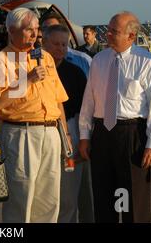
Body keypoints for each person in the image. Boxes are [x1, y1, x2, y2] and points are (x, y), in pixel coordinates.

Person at [79, 11, 151, 223]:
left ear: (131, 36)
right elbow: (89, 100)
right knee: (103, 196)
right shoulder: (98, 60)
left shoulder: (146, 62)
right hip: (102, 134)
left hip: (131, 135)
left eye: (114, 32)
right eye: (107, 30)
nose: (107, 35)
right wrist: (84, 135)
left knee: (132, 199)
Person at [0, 7, 70, 223]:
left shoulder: (45, 57)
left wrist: (66, 137)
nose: (34, 35)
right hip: (21, 134)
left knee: (50, 199)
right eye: (28, 30)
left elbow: (58, 99)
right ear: (11, 31)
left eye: (36, 29)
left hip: (51, 131)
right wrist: (27, 80)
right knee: (21, 196)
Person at [42, 24, 94, 223]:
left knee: (68, 198)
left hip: (70, 135)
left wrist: (84, 142)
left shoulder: (75, 73)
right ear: (43, 43)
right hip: (41, 133)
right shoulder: (31, 69)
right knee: (44, 199)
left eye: (64, 44)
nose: (60, 49)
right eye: (55, 44)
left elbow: (85, 112)